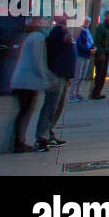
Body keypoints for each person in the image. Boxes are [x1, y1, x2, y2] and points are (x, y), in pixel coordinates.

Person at [9, 17, 51, 153]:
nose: (47, 23)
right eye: (44, 21)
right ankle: (18, 142)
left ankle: (18, 141)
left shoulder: (31, 37)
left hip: (22, 81)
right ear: (38, 23)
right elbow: (38, 61)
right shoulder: (38, 37)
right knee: (25, 112)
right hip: (27, 82)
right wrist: (47, 78)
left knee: (23, 112)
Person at [35, 13, 76, 152]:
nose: (68, 16)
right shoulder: (58, 31)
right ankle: (41, 138)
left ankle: (48, 133)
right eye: (64, 15)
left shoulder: (62, 31)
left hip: (64, 76)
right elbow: (65, 44)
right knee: (51, 106)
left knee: (58, 106)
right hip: (57, 76)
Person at [90, 11, 109, 99]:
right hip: (101, 54)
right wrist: (100, 52)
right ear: (106, 16)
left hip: (106, 52)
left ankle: (98, 91)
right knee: (99, 73)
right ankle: (95, 92)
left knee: (103, 74)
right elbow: (97, 41)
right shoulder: (102, 27)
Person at [71, 17, 95, 102]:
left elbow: (90, 42)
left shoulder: (87, 32)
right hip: (81, 55)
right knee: (77, 75)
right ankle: (72, 94)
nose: (87, 23)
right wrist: (89, 50)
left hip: (87, 55)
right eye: (86, 21)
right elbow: (79, 45)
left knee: (83, 76)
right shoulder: (80, 31)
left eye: (89, 22)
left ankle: (79, 93)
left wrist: (92, 48)